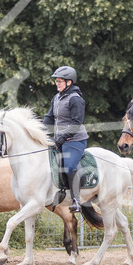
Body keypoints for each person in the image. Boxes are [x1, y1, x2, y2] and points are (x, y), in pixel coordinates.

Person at [42, 65, 88, 213]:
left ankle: (76, 200)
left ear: (69, 82)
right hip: (58, 140)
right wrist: (40, 131)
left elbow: (76, 123)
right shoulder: (56, 98)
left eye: (60, 81)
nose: (57, 83)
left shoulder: (76, 99)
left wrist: (62, 138)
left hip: (75, 140)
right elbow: (49, 118)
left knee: (68, 167)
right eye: (56, 81)